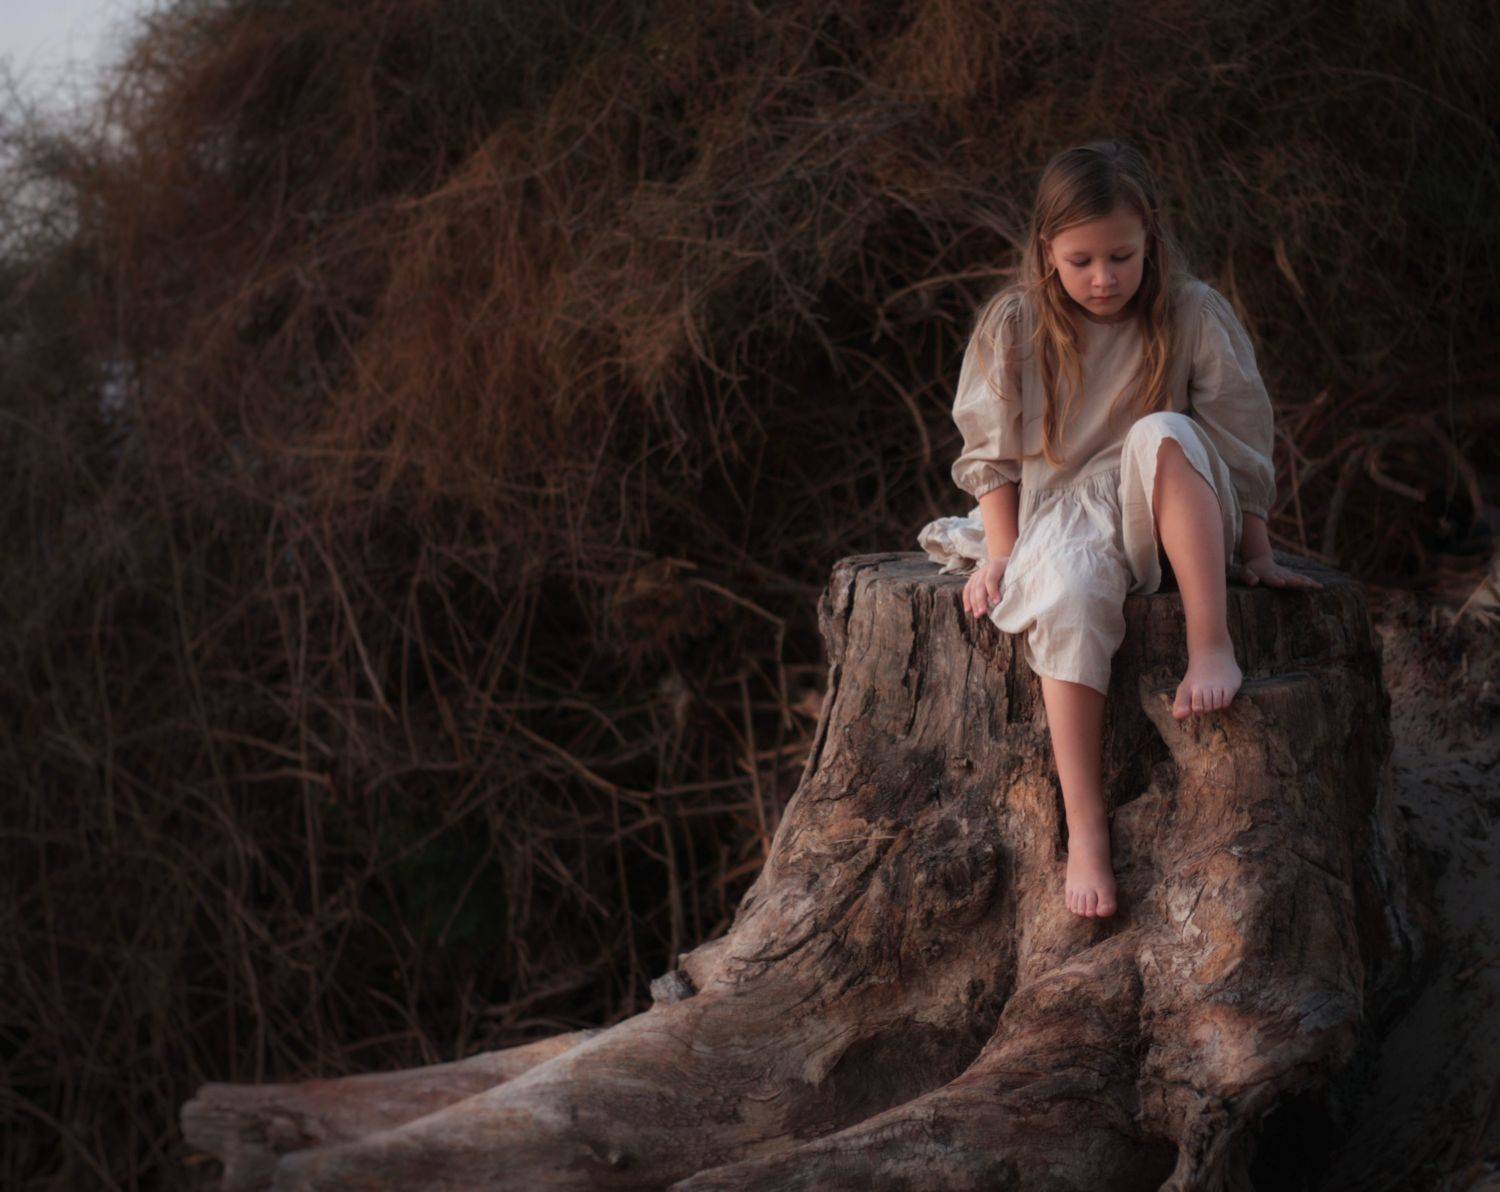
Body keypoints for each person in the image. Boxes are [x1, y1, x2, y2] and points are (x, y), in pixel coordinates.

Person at [916, 139, 1324, 921]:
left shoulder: (1191, 311)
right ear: (1046, 252)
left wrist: (1258, 549)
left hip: (1167, 502)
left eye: (1120, 257)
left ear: (1151, 240)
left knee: (1163, 429)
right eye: (1081, 261)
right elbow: (990, 454)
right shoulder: (1017, 324)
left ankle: (1211, 643)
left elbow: (1239, 437)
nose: (1102, 277)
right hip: (1062, 512)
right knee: (1066, 594)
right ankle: (1087, 827)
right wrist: (1001, 553)